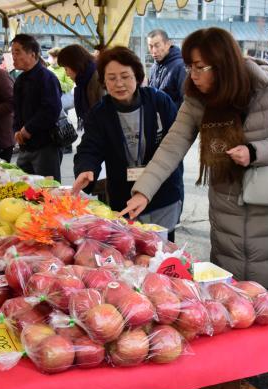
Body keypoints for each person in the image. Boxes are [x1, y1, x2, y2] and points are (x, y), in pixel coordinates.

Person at [121, 27, 268, 287]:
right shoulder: (196, 99)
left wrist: (255, 151)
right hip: (225, 204)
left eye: (199, 67)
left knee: (263, 296)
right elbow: (173, 144)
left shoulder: (266, 88)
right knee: (226, 293)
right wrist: (143, 191)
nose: (192, 76)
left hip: (267, 202)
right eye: (189, 67)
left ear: (222, 64)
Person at [72, 46, 184, 242]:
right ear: (104, 81)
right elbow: (89, 147)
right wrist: (86, 168)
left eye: (125, 76)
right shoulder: (100, 113)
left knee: (162, 250)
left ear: (137, 76)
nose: (119, 83)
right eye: (112, 78)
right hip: (123, 195)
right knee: (129, 249)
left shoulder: (159, 102)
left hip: (162, 192)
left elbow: (176, 144)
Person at [12, 34, 63, 180]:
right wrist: (16, 130)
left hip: (45, 146)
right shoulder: (20, 80)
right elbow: (16, 109)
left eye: (17, 52)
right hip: (24, 146)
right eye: (12, 53)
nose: (13, 57)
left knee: (47, 191)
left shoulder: (47, 78)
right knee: (24, 190)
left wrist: (28, 129)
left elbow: (51, 110)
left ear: (32, 54)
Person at [57, 44, 103, 126]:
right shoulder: (84, 80)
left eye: (66, 69)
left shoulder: (97, 80)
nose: (67, 74)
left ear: (75, 64)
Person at [147, 29, 186, 108]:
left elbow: (185, 101)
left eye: (157, 46)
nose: (154, 51)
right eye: (150, 46)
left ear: (168, 44)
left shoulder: (181, 66)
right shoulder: (153, 68)